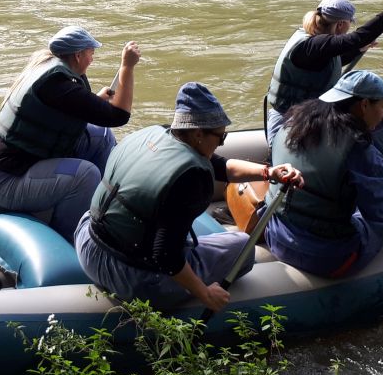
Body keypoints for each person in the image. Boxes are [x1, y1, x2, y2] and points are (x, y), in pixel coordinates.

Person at [76, 83, 304, 311]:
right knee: (241, 247)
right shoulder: (190, 178)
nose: (221, 143)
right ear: (197, 134)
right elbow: (165, 256)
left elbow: (219, 165)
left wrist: (268, 173)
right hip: (126, 274)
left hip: (86, 238)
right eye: (220, 137)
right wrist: (205, 293)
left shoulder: (157, 135)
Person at [263, 70, 383, 291]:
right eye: (382, 107)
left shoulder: (295, 121)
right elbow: (382, 218)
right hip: (328, 259)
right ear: (363, 106)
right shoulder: (359, 151)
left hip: (274, 233)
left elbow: (357, 123)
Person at [0, 26, 141, 243]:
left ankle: (108, 208)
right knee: (86, 174)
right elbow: (119, 116)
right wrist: (127, 67)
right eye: (90, 53)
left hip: (27, 162)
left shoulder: (52, 68)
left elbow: (67, 107)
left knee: (100, 135)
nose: (92, 59)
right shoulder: (57, 84)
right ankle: (73, 239)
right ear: (77, 55)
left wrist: (95, 100)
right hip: (8, 181)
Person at [266, 0, 383, 140]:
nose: (349, 28)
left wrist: (358, 50)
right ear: (340, 25)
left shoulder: (313, 42)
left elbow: (327, 62)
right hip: (289, 125)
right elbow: (359, 37)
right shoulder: (314, 44)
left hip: (304, 118)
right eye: (349, 24)